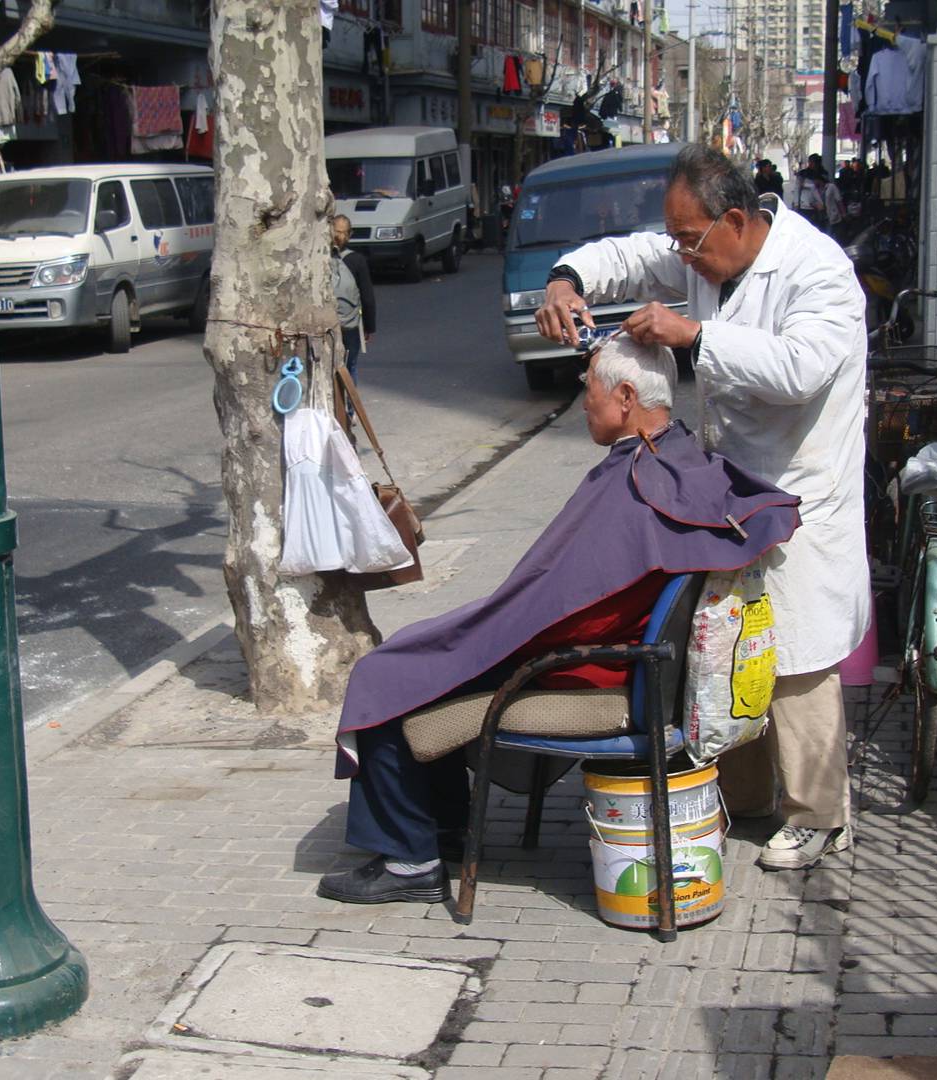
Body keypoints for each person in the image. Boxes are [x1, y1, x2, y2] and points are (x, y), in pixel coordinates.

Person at [318, 336, 800, 904]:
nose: (583, 400)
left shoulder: (637, 481)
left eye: (588, 387)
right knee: (422, 655)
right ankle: (439, 828)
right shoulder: (676, 458)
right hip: (625, 657)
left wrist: (495, 637)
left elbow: (576, 609)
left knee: (388, 674)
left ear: (624, 396)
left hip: (595, 665)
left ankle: (409, 860)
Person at [533, 144, 869, 871]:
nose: (680, 256)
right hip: (728, 490)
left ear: (737, 220)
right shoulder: (706, 248)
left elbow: (800, 369)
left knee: (795, 656)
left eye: (690, 241)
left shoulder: (818, 273)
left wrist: (694, 336)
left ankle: (818, 814)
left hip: (799, 491)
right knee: (726, 643)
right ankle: (743, 796)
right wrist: (566, 279)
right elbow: (628, 255)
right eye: (677, 238)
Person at [330, 214, 376, 380]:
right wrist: (369, 327)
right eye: (338, 232)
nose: (339, 236)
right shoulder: (357, 260)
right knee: (350, 365)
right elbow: (367, 298)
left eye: (340, 232)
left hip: (327, 323)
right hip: (350, 324)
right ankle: (349, 405)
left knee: (327, 366)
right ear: (350, 235)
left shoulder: (320, 257)